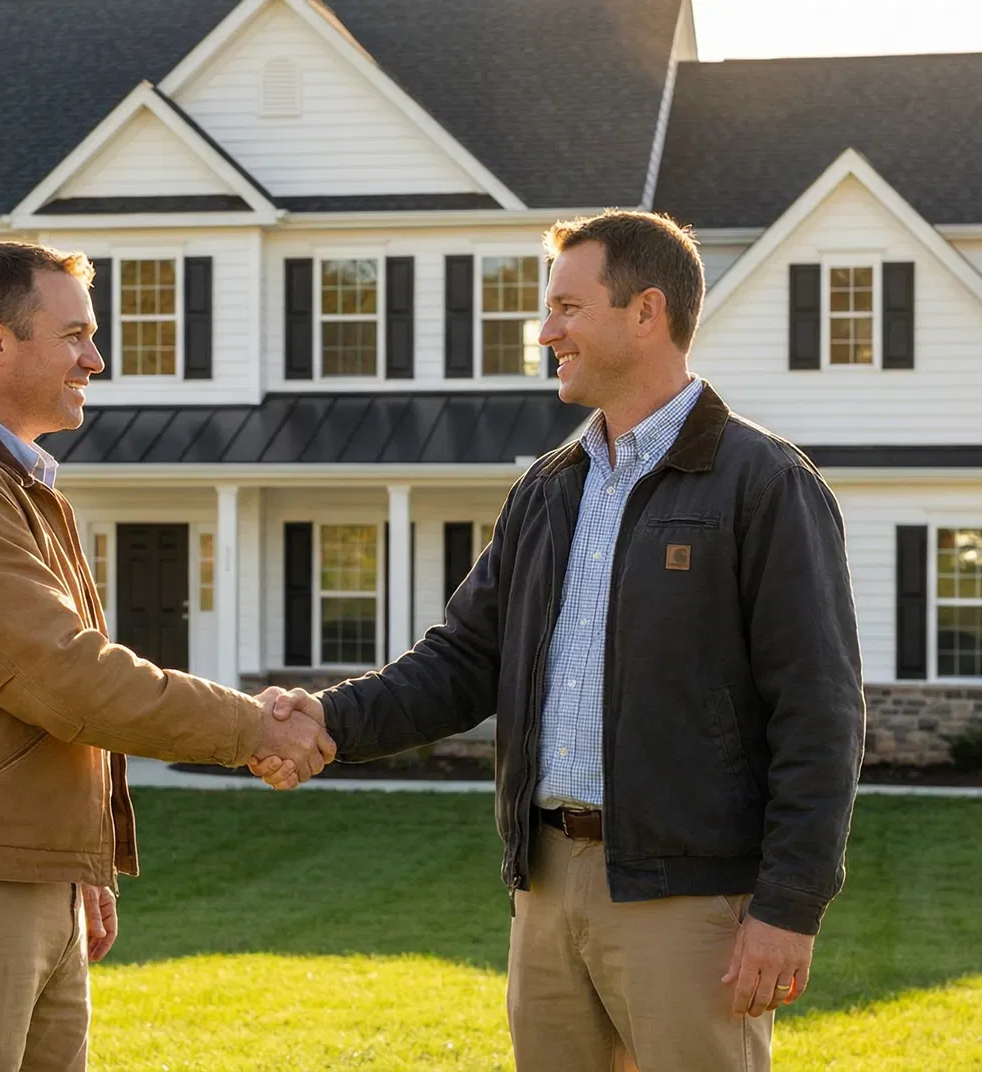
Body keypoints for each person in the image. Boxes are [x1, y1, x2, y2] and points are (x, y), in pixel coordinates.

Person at [266, 210, 864, 1071]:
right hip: (546, 887)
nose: (546, 331)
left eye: (567, 308)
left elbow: (820, 710)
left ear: (646, 312)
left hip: (687, 901)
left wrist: (791, 906)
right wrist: (325, 719)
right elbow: (464, 661)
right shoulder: (548, 489)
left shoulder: (762, 483)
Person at [0, 241, 334, 1072]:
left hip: (18, 878)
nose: (95, 360)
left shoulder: (9, 484)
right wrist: (253, 725)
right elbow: (64, 677)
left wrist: (78, 861)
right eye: (74, 336)